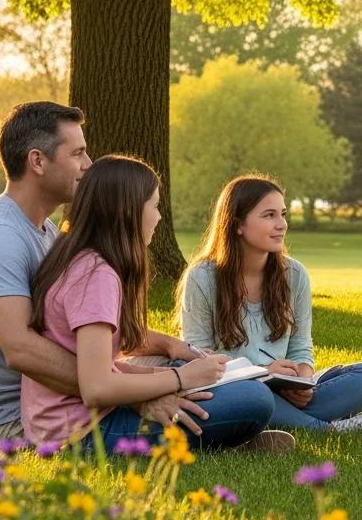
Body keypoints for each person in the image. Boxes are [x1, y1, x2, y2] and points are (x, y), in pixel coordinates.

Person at [0, 102, 228, 445]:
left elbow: (84, 328)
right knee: (182, 386)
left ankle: (235, 434)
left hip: (71, 392)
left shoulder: (47, 233)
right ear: (37, 161)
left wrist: (170, 346)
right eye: (77, 153)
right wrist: (138, 395)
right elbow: (22, 349)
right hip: (14, 421)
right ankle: (229, 431)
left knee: (183, 373)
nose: (88, 165)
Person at [22, 154, 290, 452]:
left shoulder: (84, 260)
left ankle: (221, 436)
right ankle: (224, 440)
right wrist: (179, 378)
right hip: (82, 434)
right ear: (128, 211)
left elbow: (106, 361)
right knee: (255, 399)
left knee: (201, 377)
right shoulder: (95, 275)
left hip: (81, 420)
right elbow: (96, 387)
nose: (159, 217)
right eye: (155, 205)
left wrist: (175, 369)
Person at [177, 175, 362, 433]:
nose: (282, 225)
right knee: (256, 398)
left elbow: (300, 345)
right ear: (237, 224)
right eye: (269, 215)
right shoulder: (202, 278)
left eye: (283, 214)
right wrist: (261, 372)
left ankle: (282, 419)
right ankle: (326, 428)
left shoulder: (295, 274)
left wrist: (301, 378)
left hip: (283, 387)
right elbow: (198, 356)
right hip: (232, 388)